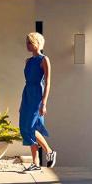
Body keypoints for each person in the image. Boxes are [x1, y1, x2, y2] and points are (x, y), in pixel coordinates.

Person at [19, 32, 57, 171]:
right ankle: (36, 162)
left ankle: (49, 151)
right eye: (27, 42)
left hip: (37, 94)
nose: (27, 45)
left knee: (30, 127)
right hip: (27, 93)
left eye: (30, 42)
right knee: (25, 127)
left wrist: (44, 102)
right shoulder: (27, 61)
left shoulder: (44, 59)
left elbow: (47, 82)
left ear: (37, 43)